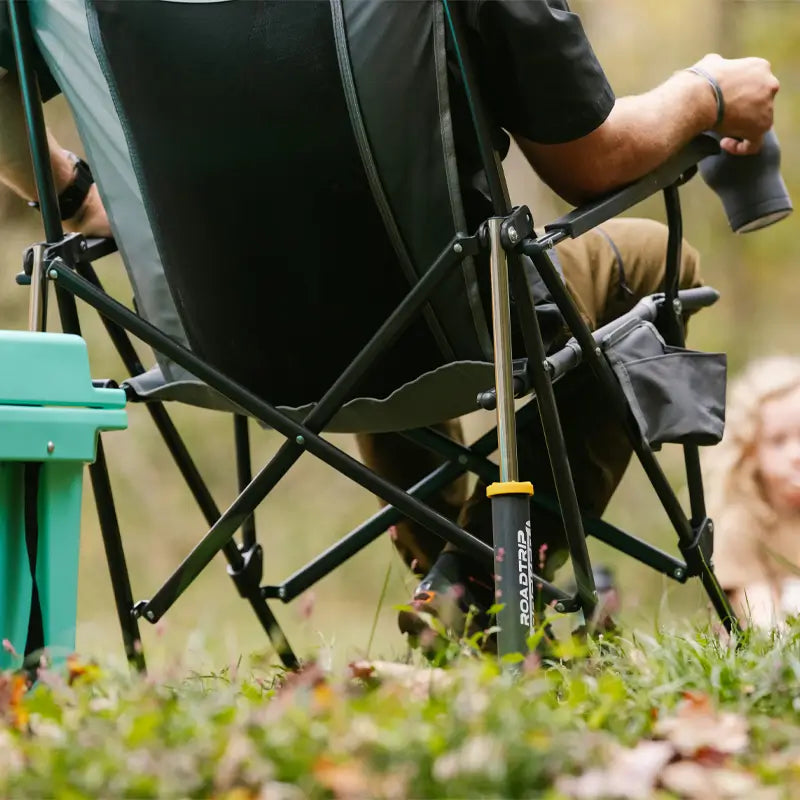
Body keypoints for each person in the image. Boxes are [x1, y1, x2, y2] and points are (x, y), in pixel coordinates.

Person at [0, 1, 779, 647]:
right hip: (433, 321)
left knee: (400, 284)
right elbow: (589, 162)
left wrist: (68, 197)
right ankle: (481, 580)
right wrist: (705, 95)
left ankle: (453, 581)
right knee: (647, 265)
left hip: (206, 344)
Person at [705, 357, 800, 629]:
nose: (796, 454)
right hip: (766, 634)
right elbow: (758, 609)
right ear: (752, 451)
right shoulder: (743, 521)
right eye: (778, 442)